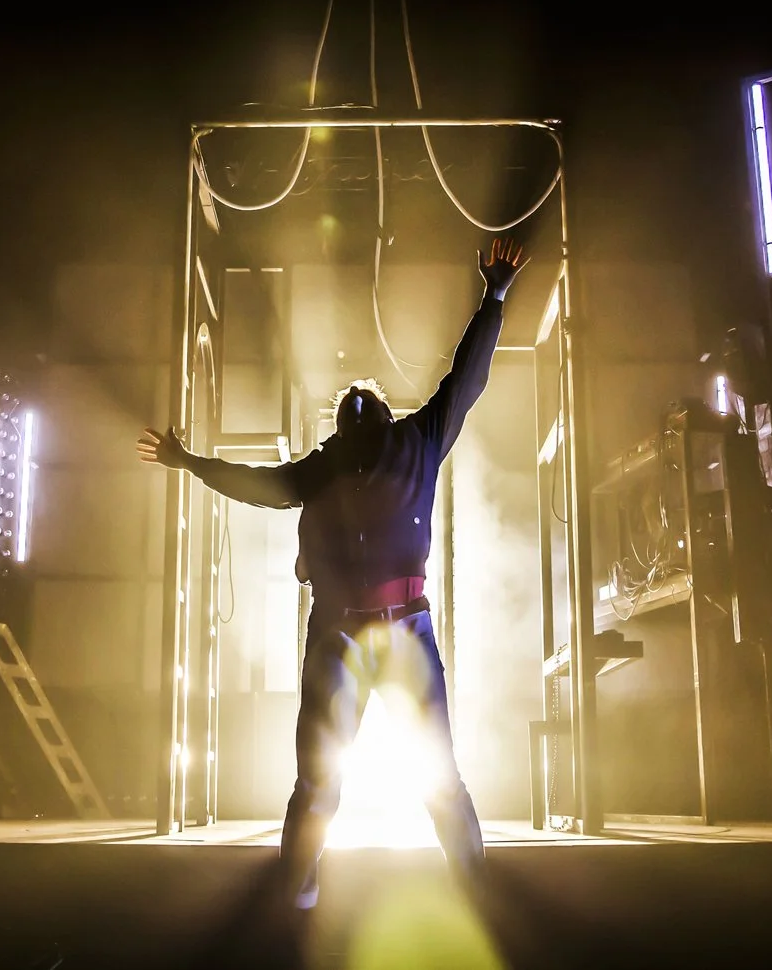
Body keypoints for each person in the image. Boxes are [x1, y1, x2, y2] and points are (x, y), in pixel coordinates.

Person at [136, 237, 529, 912]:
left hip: (364, 632)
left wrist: (190, 462)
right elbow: (463, 380)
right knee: (356, 780)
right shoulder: (403, 444)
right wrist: (492, 295)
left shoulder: (367, 453)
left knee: (352, 781)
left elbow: (258, 483)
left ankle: (314, 888)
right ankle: (341, 888)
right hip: (375, 631)